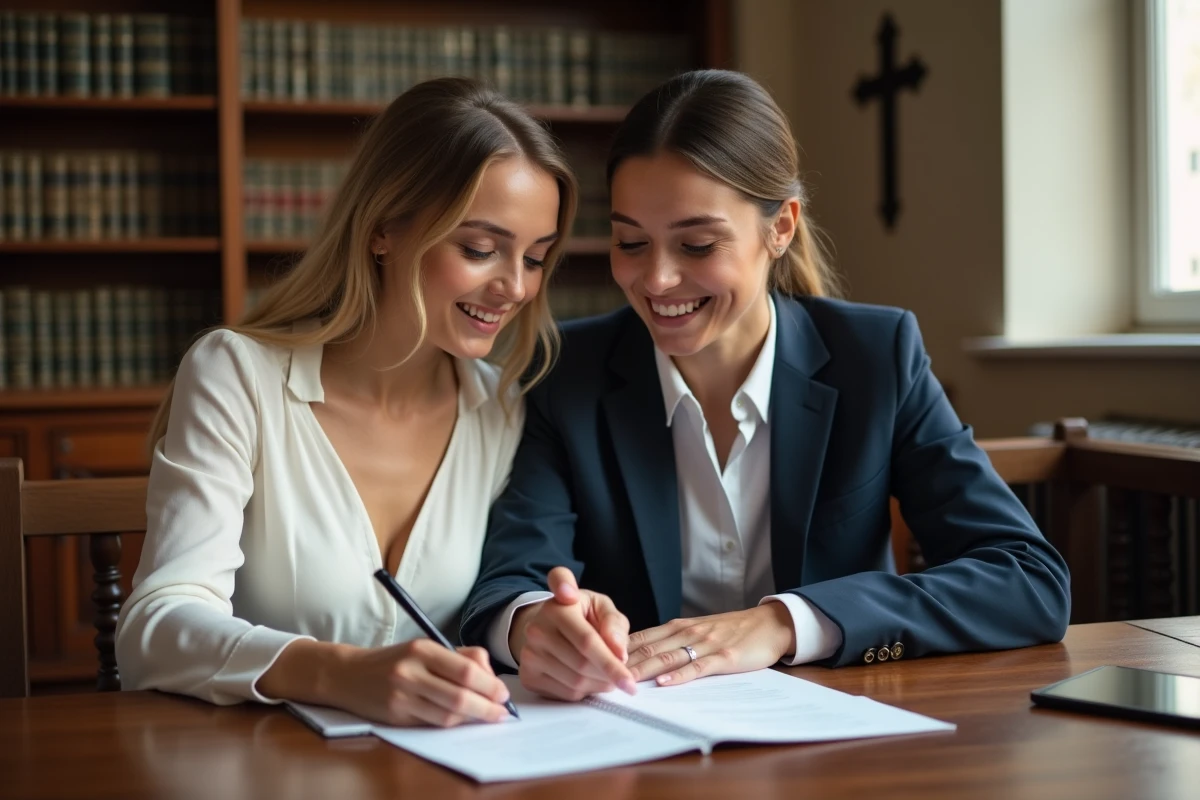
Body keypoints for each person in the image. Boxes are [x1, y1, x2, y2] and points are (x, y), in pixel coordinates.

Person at [461, 69, 1070, 700]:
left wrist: (785, 623)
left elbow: (1028, 581)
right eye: (631, 242)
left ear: (779, 228)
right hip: (643, 741)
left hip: (841, 739)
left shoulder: (876, 358)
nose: (657, 279)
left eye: (697, 245)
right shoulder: (567, 370)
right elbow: (509, 583)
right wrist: (536, 624)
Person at [115, 77, 577, 727]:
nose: (515, 287)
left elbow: (502, 597)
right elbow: (155, 629)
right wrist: (337, 673)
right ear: (384, 228)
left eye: (535, 257)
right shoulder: (237, 377)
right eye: (479, 249)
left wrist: (540, 625)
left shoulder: (500, 409)